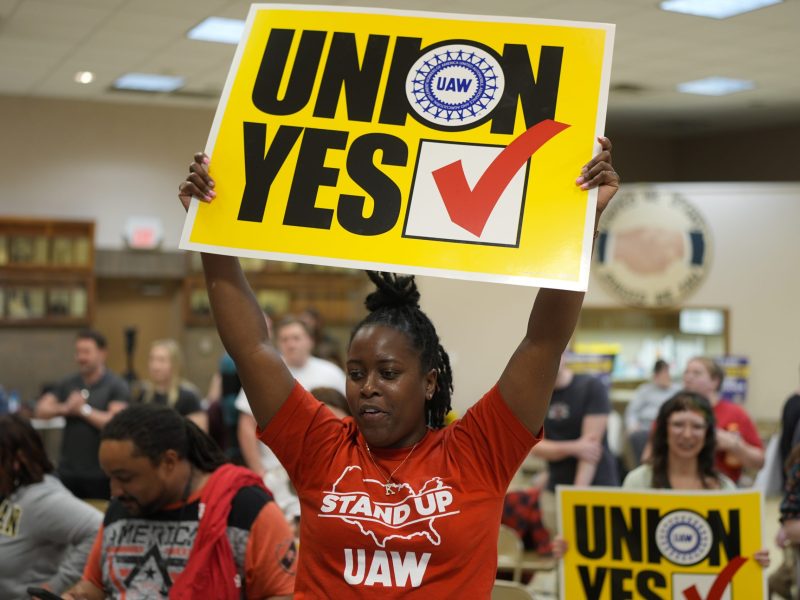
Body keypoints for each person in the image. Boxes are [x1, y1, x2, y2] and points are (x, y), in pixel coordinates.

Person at [177, 138, 618, 597]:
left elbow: (544, 343)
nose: (368, 387)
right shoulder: (320, 447)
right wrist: (211, 235)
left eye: (388, 374)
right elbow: (251, 347)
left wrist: (586, 222)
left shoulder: (477, 452)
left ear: (429, 383)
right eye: (355, 372)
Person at [63, 404, 296, 600]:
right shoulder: (122, 508)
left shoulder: (246, 509)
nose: (115, 491)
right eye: (110, 477)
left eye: (125, 478)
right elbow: (94, 586)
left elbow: (283, 594)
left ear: (169, 462)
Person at [553, 392, 770, 566]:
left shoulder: (724, 488)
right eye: (678, 424)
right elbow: (618, 544)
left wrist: (753, 559)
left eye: (696, 426)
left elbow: (734, 551)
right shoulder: (638, 481)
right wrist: (573, 547)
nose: (686, 434)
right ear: (663, 431)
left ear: (708, 434)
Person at [236, 316, 347, 523]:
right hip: (275, 471)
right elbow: (246, 423)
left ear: (310, 341)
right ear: (278, 343)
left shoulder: (332, 373)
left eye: (296, 338)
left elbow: (349, 419)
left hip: (326, 473)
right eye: (285, 339)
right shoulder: (265, 374)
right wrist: (257, 469)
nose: (291, 343)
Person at [0, 414, 102, 598]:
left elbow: (98, 529)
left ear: (18, 459)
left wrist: (54, 586)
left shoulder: (42, 499)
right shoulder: (10, 491)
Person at [34, 329, 130, 499]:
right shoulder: (68, 383)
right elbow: (41, 410)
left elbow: (116, 423)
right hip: (68, 471)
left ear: (102, 353)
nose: (81, 357)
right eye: (78, 352)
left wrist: (84, 411)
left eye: (86, 352)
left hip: (100, 474)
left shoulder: (116, 385)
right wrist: (65, 408)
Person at [530, 355, 619, 490]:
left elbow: (590, 449)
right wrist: (576, 448)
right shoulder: (537, 396)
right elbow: (536, 447)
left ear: (564, 355)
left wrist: (576, 494)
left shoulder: (592, 387)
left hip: (597, 484)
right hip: (557, 484)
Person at [682, 356, 764, 484]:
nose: (688, 377)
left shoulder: (736, 414)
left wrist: (735, 445)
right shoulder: (675, 412)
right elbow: (649, 456)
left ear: (715, 381)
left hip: (725, 488)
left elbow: (759, 462)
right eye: (686, 372)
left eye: (696, 373)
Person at [136, 338, 207, 431]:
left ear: (174, 364)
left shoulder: (188, 396)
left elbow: (200, 436)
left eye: (161, 360)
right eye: (152, 359)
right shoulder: (144, 395)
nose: (155, 366)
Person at [625, 359, 681, 464]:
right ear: (655, 375)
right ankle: (642, 469)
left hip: (668, 428)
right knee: (636, 437)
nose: (666, 376)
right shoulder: (644, 390)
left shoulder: (677, 390)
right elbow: (632, 411)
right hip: (646, 428)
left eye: (667, 373)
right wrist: (632, 425)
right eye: (662, 374)